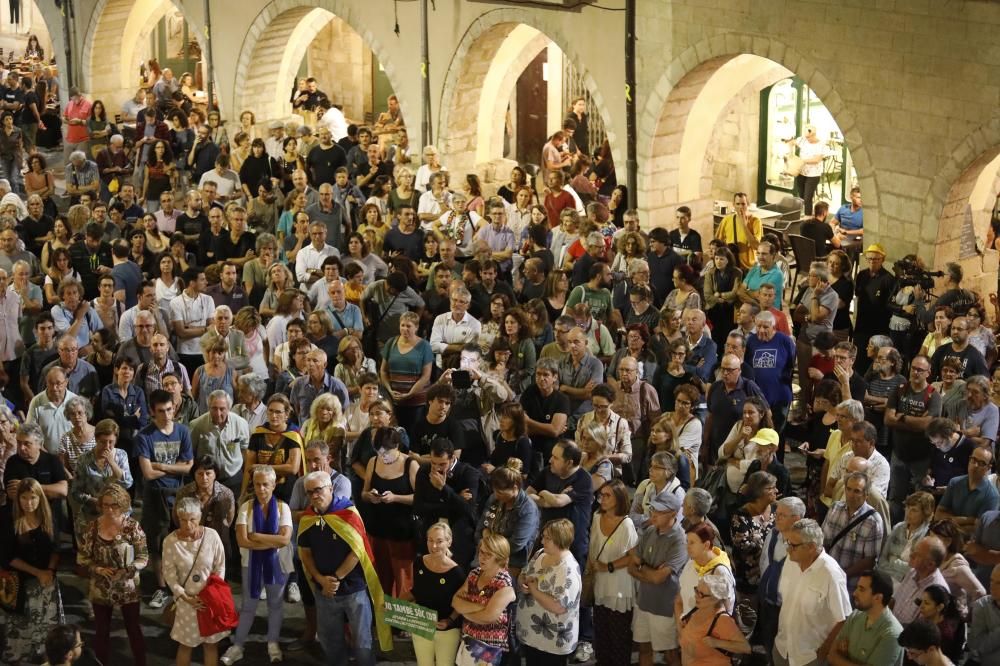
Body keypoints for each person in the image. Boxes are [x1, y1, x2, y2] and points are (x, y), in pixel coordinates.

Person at [297, 470, 393, 666]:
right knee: (330, 642)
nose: (315, 495)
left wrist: (335, 578)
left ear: (331, 488)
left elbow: (358, 551)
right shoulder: (308, 518)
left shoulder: (348, 513)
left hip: (353, 591)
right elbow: (304, 553)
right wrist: (321, 580)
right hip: (324, 592)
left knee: (362, 643)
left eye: (319, 490)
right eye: (309, 492)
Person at [222, 465, 293, 665]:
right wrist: (272, 540)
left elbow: (285, 540)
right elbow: (242, 542)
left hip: (278, 564)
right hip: (250, 565)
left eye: (265, 485)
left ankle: (273, 643)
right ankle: (238, 646)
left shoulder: (283, 507)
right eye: (257, 484)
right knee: (248, 606)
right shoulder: (246, 507)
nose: (261, 489)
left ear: (273, 485)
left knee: (276, 605)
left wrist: (258, 537)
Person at [76, 482, 148, 666]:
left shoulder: (132, 527)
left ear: (123, 504)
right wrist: (97, 569)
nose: (109, 509)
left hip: (128, 587)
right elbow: (82, 557)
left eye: (114, 505)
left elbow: (143, 557)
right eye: (105, 504)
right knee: (102, 630)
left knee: (133, 629)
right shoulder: (92, 528)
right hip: (101, 587)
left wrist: (129, 570)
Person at [137, 388, 195, 611]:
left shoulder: (182, 431)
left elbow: (188, 467)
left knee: (181, 539)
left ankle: (179, 585)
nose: (166, 415)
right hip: (155, 496)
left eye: (169, 410)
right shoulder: (145, 436)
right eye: (161, 411)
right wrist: (174, 468)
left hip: (178, 495)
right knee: (157, 543)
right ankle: (161, 588)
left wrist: (160, 465)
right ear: (152, 411)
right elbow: (148, 474)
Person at [774, 518, 852, 666]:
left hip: (809, 657)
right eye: (788, 543)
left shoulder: (831, 573)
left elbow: (843, 619)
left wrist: (823, 652)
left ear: (811, 547)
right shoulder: (790, 560)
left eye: (793, 545)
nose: (788, 549)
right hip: (782, 649)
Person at [0, 477, 61, 665]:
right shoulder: (8, 520)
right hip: (18, 586)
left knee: (46, 635)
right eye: (24, 498)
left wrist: (49, 570)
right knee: (18, 636)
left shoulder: (48, 518)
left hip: (45, 584)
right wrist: (38, 572)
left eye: (33, 498)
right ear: (18, 499)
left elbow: (56, 549)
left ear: (40, 498)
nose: (29, 503)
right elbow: (7, 558)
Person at [163, 496, 229, 666]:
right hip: (187, 602)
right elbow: (169, 575)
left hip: (210, 601)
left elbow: (220, 566)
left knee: (211, 645)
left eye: (192, 519)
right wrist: (185, 597)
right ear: (177, 518)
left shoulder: (212, 535)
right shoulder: (170, 541)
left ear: (200, 517)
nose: (188, 525)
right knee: (186, 645)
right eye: (183, 520)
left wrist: (212, 593)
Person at [627, 490, 687, 666]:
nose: (653, 515)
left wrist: (642, 567)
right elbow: (632, 566)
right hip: (644, 602)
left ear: (674, 514)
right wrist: (649, 570)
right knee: (644, 650)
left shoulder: (679, 539)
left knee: (670, 655)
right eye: (653, 509)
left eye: (659, 511)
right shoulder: (649, 531)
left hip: (665, 608)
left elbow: (658, 579)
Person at [516, 518, 582, 665]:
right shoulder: (540, 553)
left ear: (560, 540)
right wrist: (523, 583)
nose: (542, 541)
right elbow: (523, 574)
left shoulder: (567, 568)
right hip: (532, 635)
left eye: (547, 538)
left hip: (552, 641)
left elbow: (559, 606)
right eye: (543, 536)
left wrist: (533, 590)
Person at [451, 533, 517, 665]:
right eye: (481, 552)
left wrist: (465, 611)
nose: (482, 557)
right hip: (468, 640)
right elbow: (455, 601)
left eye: (488, 554)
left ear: (498, 558)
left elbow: (487, 617)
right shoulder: (474, 574)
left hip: (490, 649)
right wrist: (481, 607)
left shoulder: (503, 583)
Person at [826, 569, 904, 666]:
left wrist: (843, 657)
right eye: (857, 588)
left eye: (861, 589)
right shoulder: (856, 615)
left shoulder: (892, 634)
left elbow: (835, 659)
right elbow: (831, 656)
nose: (854, 593)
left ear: (878, 598)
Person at [821, 471, 885, 590]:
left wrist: (842, 575)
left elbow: (869, 560)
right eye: (848, 489)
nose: (850, 494)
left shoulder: (873, 521)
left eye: (856, 491)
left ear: (866, 495)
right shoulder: (835, 508)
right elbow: (823, 540)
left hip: (851, 585)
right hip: (827, 576)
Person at [242, 394, 305, 503]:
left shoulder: (293, 436)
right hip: (261, 492)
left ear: (286, 414)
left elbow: (293, 468)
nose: (273, 415)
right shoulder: (258, 434)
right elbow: (249, 468)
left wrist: (261, 467)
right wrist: (243, 494)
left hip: (286, 493)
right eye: (270, 411)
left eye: (278, 412)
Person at [677, 573, 751, 666]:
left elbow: (745, 648)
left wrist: (717, 643)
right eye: (696, 590)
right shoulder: (697, 609)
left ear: (715, 599)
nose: (696, 596)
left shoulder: (722, 620)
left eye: (702, 594)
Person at [934, 446, 999, 534]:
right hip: (945, 535)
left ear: (988, 468)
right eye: (973, 460)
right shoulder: (955, 482)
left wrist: (949, 522)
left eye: (981, 463)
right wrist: (969, 520)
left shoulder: (992, 495)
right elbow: (938, 515)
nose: (975, 465)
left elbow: (979, 529)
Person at [894, 536, 950, 625]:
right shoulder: (913, 572)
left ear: (930, 564)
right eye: (913, 551)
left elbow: (921, 629)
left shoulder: (938, 590)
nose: (911, 555)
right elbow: (894, 601)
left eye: (917, 554)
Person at [968, 563, 1000, 666]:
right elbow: (978, 646)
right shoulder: (982, 606)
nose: (992, 586)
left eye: (999, 583)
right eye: (991, 580)